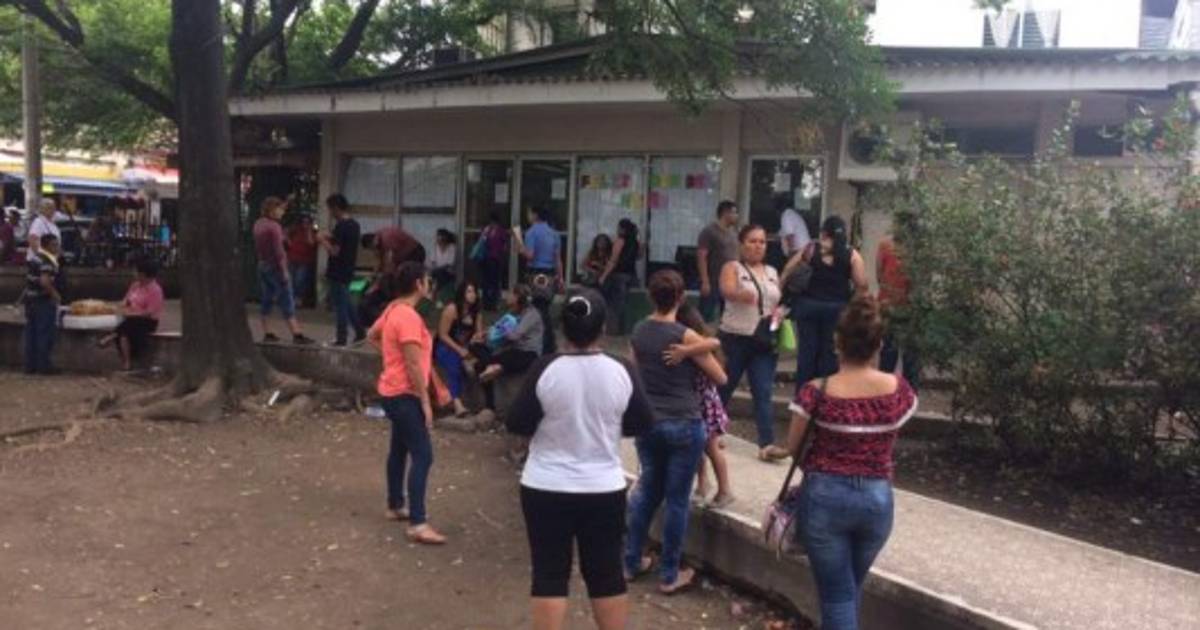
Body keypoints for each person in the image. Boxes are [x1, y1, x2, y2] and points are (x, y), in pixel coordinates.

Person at [506, 289, 655, 630]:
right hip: (603, 487)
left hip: (545, 485)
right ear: (602, 328)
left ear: (562, 328)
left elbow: (517, 422)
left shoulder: (545, 368)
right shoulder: (621, 369)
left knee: (549, 573)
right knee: (606, 573)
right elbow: (642, 422)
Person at [786, 294, 918, 630]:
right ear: (879, 345)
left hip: (825, 497)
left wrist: (817, 471)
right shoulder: (898, 391)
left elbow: (793, 447)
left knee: (837, 596)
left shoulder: (815, 392)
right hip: (877, 500)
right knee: (848, 589)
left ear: (837, 343)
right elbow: (892, 434)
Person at [626, 270, 727, 595]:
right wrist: (689, 352)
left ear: (650, 296)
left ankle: (630, 562)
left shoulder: (639, 331)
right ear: (681, 298)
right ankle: (669, 575)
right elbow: (721, 377)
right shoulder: (685, 335)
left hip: (649, 421)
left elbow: (632, 370)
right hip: (684, 422)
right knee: (677, 501)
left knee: (646, 493)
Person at [367, 261, 447, 545]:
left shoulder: (393, 309)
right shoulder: (408, 317)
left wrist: (391, 358)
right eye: (427, 280)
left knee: (400, 449)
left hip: (392, 390)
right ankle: (418, 522)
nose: (429, 285)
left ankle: (395, 504)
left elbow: (372, 335)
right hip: (404, 393)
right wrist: (425, 401)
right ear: (418, 284)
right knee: (423, 454)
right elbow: (413, 363)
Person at [717, 224, 789, 461]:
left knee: (763, 391)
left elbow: (777, 300)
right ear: (742, 244)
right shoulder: (733, 267)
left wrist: (779, 317)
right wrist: (740, 294)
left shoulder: (772, 271)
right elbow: (727, 290)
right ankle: (711, 430)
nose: (758, 246)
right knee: (724, 386)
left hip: (763, 340)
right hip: (735, 337)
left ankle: (766, 444)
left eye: (762, 242)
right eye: (752, 241)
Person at [783, 215, 869, 388]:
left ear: (824, 232)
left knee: (807, 353)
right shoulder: (851, 254)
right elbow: (862, 285)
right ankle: (826, 394)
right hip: (837, 309)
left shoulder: (811, 248)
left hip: (808, 306)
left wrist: (780, 291)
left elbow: (788, 269)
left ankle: (803, 395)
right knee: (829, 353)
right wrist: (852, 307)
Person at [670, 302, 734, 508]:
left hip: (705, 404)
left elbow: (714, 342)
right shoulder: (695, 345)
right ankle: (703, 483)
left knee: (711, 448)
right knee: (697, 446)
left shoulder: (699, 346)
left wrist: (686, 350)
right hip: (696, 403)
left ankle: (725, 490)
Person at [253, 196, 315, 345]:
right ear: (272, 210)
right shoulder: (274, 227)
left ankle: (267, 331)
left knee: (267, 298)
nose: (282, 212)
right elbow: (279, 251)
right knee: (287, 298)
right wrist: (284, 271)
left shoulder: (259, 224)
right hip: (275, 266)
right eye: (280, 209)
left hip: (262, 264)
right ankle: (297, 333)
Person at [877, 212, 920, 391]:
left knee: (890, 353)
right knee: (909, 357)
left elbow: (879, 275)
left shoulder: (886, 245)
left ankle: (884, 393)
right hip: (906, 307)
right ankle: (909, 396)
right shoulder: (918, 249)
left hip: (891, 306)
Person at [97, 258, 164, 371]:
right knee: (124, 334)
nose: (134, 273)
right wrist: (117, 308)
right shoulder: (135, 286)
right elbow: (126, 301)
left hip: (147, 321)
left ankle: (112, 336)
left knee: (131, 323)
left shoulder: (155, 290)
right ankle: (126, 362)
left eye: (136, 271)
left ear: (143, 274)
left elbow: (150, 312)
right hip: (129, 319)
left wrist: (133, 314)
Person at [318, 194, 365, 346]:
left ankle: (341, 337)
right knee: (347, 302)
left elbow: (335, 251)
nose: (330, 213)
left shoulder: (341, 226)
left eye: (331, 209)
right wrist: (331, 237)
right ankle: (360, 331)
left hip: (337, 270)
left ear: (336, 208)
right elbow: (345, 243)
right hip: (348, 268)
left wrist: (322, 240)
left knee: (340, 306)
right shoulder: (354, 225)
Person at [434, 281, 485, 417]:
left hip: (466, 347)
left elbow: (478, 333)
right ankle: (457, 403)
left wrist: (478, 337)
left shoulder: (476, 312)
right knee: (454, 364)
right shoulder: (452, 309)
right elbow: (443, 335)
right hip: (446, 345)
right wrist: (459, 349)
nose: (472, 295)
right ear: (462, 293)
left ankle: (480, 404)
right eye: (469, 291)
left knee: (477, 363)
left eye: (474, 292)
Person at [516, 206, 561, 354]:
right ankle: (547, 343)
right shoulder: (554, 233)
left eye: (529, 213)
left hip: (536, 273)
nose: (528, 216)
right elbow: (557, 259)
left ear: (535, 215)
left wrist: (520, 247)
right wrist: (560, 278)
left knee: (538, 310)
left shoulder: (532, 232)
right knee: (544, 307)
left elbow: (530, 255)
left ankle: (547, 343)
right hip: (550, 274)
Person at [478, 284, 543, 385]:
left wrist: (501, 330)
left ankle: (496, 368)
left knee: (498, 359)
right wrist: (487, 332)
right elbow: (498, 325)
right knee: (481, 358)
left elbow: (514, 336)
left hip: (528, 353)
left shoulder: (531, 314)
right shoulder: (514, 311)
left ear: (517, 297)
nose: (507, 296)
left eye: (510, 294)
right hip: (514, 349)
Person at [23, 234, 64, 375]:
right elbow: (45, 281)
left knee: (31, 333)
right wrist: (55, 294)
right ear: (47, 246)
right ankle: (43, 365)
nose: (57, 247)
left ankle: (30, 365)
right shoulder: (47, 261)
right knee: (44, 333)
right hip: (42, 300)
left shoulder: (36, 258)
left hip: (30, 300)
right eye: (54, 245)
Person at [696, 200, 740, 322]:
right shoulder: (709, 232)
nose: (736, 216)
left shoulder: (733, 232)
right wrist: (705, 281)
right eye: (734, 213)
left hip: (730, 281)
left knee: (727, 315)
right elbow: (701, 256)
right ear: (725, 213)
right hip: (713, 280)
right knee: (706, 315)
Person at [598, 218, 640, 335]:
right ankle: (626, 330)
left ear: (622, 229)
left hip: (619, 275)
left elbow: (613, 260)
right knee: (628, 304)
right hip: (632, 275)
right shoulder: (635, 242)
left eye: (619, 228)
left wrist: (603, 276)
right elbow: (639, 256)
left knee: (615, 304)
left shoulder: (620, 241)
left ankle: (613, 330)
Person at [479, 213, 509, 311]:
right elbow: (482, 242)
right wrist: (484, 234)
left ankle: (493, 303)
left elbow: (504, 245)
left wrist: (502, 255)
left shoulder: (501, 231)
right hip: (486, 259)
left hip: (496, 260)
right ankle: (486, 303)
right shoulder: (487, 230)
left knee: (495, 282)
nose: (492, 224)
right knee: (486, 282)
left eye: (493, 222)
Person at [286, 214, 318, 307]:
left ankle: (299, 298)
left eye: (307, 222)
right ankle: (291, 298)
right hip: (293, 258)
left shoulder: (313, 233)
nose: (305, 224)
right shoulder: (296, 230)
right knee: (291, 280)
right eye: (303, 222)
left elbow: (311, 243)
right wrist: (289, 242)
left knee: (300, 280)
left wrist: (309, 231)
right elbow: (285, 233)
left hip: (305, 261)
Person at [430, 229, 457, 298]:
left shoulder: (452, 247)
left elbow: (450, 263)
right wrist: (435, 268)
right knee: (433, 274)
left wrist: (439, 269)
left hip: (448, 272)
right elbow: (433, 261)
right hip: (437, 272)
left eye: (441, 238)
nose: (439, 241)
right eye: (438, 238)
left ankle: (442, 295)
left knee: (440, 274)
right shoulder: (435, 247)